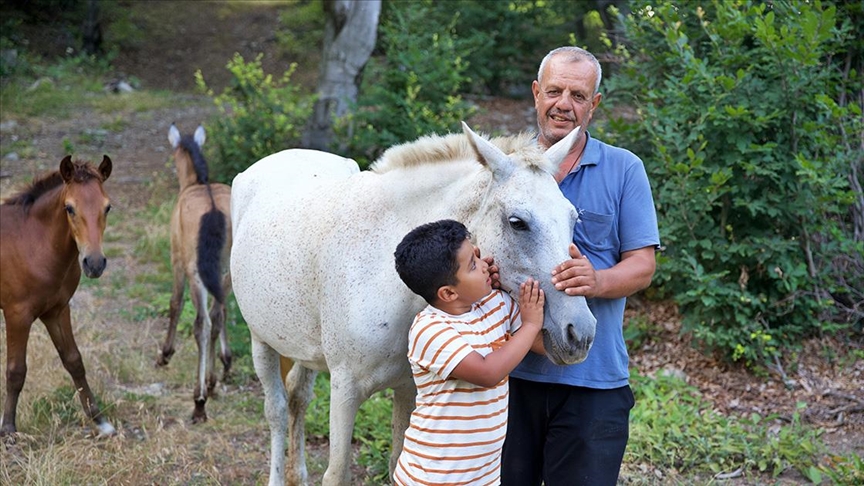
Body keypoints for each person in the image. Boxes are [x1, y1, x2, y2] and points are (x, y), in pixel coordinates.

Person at [500, 46, 661, 486]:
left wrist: (597, 279)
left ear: (595, 104)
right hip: (507, 375)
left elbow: (642, 267)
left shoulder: (624, 168)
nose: (564, 105)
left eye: (578, 95)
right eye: (554, 91)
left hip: (594, 381)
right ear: (536, 93)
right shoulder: (504, 170)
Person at [392, 219, 546, 486]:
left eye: (476, 253)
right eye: (473, 265)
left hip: (483, 476)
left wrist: (513, 294)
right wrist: (531, 323)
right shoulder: (429, 330)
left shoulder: (496, 304)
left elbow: (540, 345)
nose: (484, 264)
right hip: (433, 475)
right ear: (449, 293)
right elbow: (488, 372)